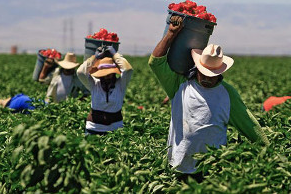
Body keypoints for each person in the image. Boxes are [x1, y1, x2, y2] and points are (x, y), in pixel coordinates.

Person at [148, 16, 269, 182]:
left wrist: (268, 153)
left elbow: (249, 124)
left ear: (220, 73)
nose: (207, 78)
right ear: (197, 67)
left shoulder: (228, 94)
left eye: (212, 75)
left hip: (212, 170)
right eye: (203, 73)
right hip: (179, 166)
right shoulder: (180, 85)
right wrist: (171, 34)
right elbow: (156, 63)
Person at [77, 46, 133, 135]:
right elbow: (81, 72)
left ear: (114, 73)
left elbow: (127, 70)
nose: (107, 76)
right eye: (104, 74)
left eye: (110, 74)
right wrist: (94, 57)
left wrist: (115, 55)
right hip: (93, 128)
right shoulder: (94, 84)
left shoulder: (120, 85)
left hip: (115, 129)